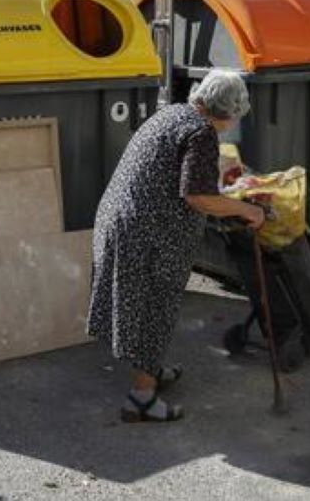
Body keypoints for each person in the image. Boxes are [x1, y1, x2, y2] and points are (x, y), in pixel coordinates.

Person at [87, 70, 266, 423]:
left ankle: (150, 368)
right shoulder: (201, 133)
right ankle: (141, 397)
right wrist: (248, 209)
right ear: (226, 111)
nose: (232, 123)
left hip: (122, 221)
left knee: (144, 307)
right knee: (156, 307)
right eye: (235, 115)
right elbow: (199, 197)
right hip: (146, 234)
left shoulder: (173, 114)